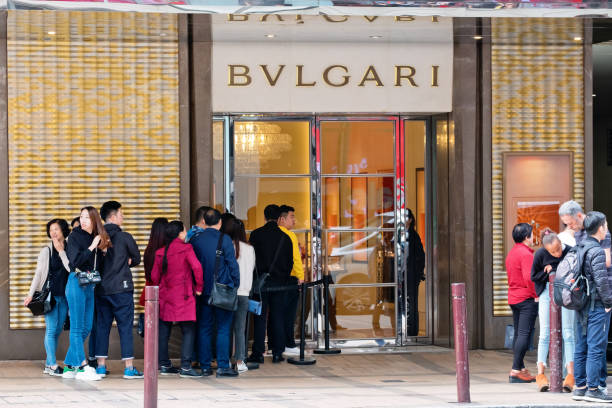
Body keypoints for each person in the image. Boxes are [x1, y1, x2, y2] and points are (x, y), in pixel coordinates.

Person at [559, 200, 612, 393]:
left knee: (586, 342)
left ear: (580, 216)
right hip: (594, 297)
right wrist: (608, 302)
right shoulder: (593, 243)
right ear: (600, 228)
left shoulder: (582, 242)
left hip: (584, 295)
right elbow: (602, 271)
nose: (569, 227)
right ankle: (594, 387)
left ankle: (583, 386)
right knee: (595, 344)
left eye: (570, 223)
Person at [188, 207, 240, 377]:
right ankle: (223, 366)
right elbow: (232, 264)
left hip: (202, 292)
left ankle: (205, 367)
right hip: (222, 290)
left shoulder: (195, 240)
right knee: (224, 329)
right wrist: (235, 284)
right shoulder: (224, 239)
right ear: (220, 222)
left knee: (204, 328)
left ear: (204, 221)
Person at [93, 201, 142, 379]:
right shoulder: (125, 237)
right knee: (125, 327)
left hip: (102, 290)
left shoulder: (97, 237)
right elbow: (137, 258)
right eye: (121, 214)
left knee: (102, 327)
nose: (123, 217)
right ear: (113, 217)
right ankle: (128, 368)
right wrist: (128, 260)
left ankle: (100, 366)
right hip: (122, 290)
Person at [151, 221, 203, 377]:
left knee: (164, 330)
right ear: (180, 233)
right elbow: (197, 267)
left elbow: (154, 276)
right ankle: (186, 367)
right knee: (188, 330)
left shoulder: (161, 252)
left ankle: (164, 364)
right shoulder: (186, 248)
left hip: (166, 296)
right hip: (184, 296)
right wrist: (199, 288)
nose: (186, 232)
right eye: (185, 230)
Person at [64, 206, 110, 381]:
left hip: (90, 285)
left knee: (87, 327)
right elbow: (75, 260)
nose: (83, 220)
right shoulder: (74, 237)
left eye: (87, 218)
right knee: (76, 327)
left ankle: (69, 366)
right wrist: (92, 246)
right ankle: (83, 367)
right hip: (76, 282)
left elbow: (101, 263)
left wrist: (103, 249)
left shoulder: (98, 237)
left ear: (94, 220)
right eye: (81, 217)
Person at [24, 219, 71, 376]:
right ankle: (51, 364)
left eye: (56, 229)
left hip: (64, 297)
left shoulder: (69, 248)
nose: (53, 232)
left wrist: (62, 251)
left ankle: (48, 363)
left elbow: (70, 269)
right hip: (50, 296)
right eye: (51, 230)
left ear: (63, 230)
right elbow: (38, 274)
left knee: (57, 330)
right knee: (51, 330)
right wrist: (30, 295)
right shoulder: (47, 250)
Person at [248, 204, 293, 364]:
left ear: (265, 216)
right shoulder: (285, 238)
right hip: (279, 284)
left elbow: (250, 259)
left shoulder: (256, 235)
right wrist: (282, 277)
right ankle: (277, 352)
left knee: (260, 317)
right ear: (279, 217)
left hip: (261, 284)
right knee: (277, 317)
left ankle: (258, 352)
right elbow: (290, 263)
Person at [530, 229, 573, 392]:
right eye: (553, 251)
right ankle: (540, 374)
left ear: (561, 242)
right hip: (546, 292)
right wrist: (545, 272)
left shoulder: (569, 250)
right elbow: (533, 276)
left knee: (568, 333)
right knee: (545, 333)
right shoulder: (540, 254)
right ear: (546, 249)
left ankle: (570, 374)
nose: (558, 253)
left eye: (559, 248)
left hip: (566, 292)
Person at [221, 215, 255, 373]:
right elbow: (252, 270)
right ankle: (240, 361)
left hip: (228, 292)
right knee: (239, 329)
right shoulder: (250, 249)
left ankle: (226, 360)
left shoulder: (226, 247)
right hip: (244, 293)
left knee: (225, 328)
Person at [505, 222, 538, 383]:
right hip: (526, 298)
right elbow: (529, 279)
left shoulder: (512, 252)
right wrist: (535, 294)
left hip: (514, 297)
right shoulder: (526, 254)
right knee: (524, 334)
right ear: (526, 237)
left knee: (519, 333)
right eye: (532, 234)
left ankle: (521, 368)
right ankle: (516, 370)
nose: (533, 237)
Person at [278, 204, 304, 356]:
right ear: (282, 219)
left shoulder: (274, 235)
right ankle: (289, 343)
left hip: (277, 280)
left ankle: (278, 344)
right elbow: (296, 259)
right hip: (291, 279)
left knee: (277, 313)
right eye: (291, 217)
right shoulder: (290, 235)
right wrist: (300, 277)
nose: (294, 220)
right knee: (289, 314)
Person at [139, 218, 169, 307]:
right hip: (164, 293)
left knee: (152, 320)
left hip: (151, 293)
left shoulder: (148, 250)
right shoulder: (166, 251)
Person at [406, 208, 425, 337]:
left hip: (412, 275)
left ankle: (412, 331)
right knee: (404, 303)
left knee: (412, 303)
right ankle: (404, 329)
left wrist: (418, 273)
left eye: (406, 218)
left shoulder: (413, 235)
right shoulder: (400, 235)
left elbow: (421, 256)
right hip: (403, 276)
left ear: (411, 220)